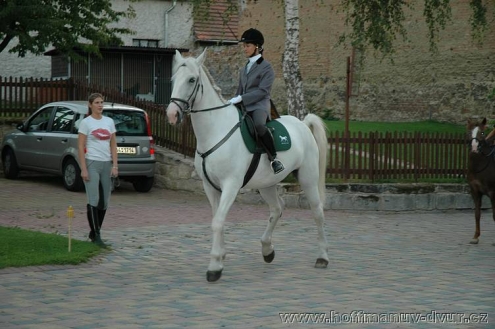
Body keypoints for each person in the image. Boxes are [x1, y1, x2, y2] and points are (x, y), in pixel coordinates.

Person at [229, 28, 285, 174]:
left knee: (259, 126)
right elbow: (240, 91)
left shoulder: (267, 68)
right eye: (244, 45)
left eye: (247, 45)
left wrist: (242, 98)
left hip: (259, 106)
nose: (244, 48)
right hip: (244, 106)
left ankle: (274, 159)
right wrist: (233, 102)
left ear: (257, 47)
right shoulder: (244, 69)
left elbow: (263, 91)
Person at [78, 93, 118, 247]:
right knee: (94, 199)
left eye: (102, 102)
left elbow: (113, 145)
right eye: (97, 103)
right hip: (92, 163)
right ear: (90, 105)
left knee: (105, 202)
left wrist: (115, 165)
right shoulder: (86, 123)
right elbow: (81, 146)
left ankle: (94, 230)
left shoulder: (109, 121)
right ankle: (97, 236)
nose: (100, 105)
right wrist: (83, 169)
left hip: (106, 164)